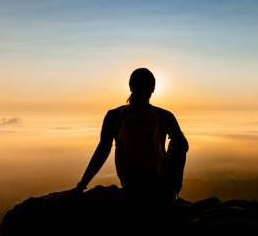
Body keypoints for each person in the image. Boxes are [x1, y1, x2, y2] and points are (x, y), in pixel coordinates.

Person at [73, 68, 188, 200]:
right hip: (158, 183)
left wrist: (82, 185)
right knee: (179, 141)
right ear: (153, 89)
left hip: (129, 182)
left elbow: (102, 151)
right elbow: (182, 146)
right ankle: (172, 194)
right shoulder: (165, 116)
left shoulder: (114, 115)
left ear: (130, 86)